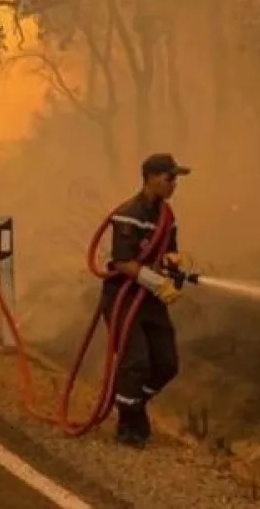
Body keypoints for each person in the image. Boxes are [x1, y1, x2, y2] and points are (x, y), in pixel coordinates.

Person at [103, 152, 191, 448]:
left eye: (176, 179)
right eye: (170, 178)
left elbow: (168, 252)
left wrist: (175, 266)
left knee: (166, 363)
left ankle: (134, 403)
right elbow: (123, 262)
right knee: (136, 360)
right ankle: (128, 426)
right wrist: (157, 283)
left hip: (150, 300)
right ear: (152, 178)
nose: (174, 184)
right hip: (123, 296)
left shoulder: (167, 217)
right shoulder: (129, 213)